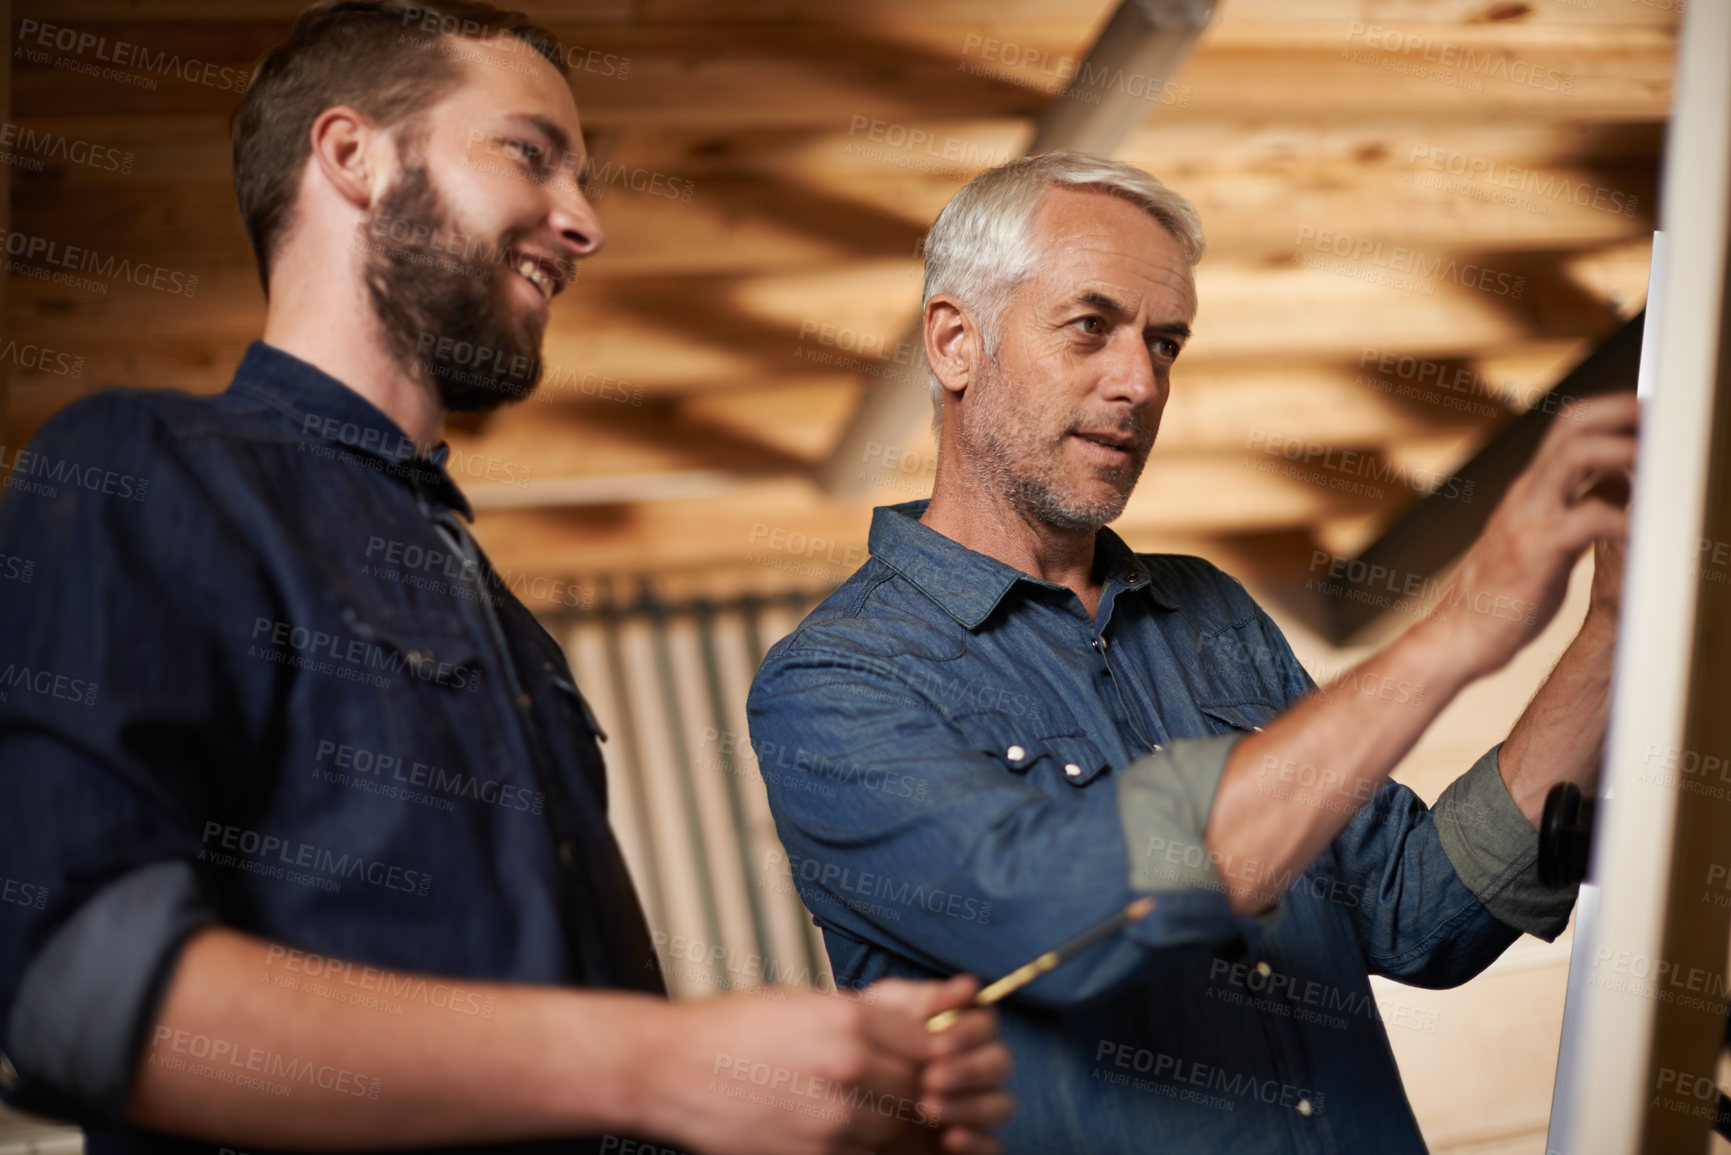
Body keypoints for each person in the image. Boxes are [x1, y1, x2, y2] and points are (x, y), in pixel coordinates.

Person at [0, 4, 1013, 1154]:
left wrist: (802, 1089)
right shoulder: (141, 465)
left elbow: (586, 1084)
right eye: (530, 154)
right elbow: (75, 990)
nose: (582, 222)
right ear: (353, 158)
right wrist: (663, 1066)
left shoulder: (506, 623)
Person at [746, 150, 1636, 1153]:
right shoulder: (834, 686)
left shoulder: (1209, 608)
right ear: (955, 343)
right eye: (1092, 327)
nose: (1139, 382)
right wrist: (1461, 629)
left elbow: (1414, 912)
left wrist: (1612, 629)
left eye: (1165, 343)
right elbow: (1069, 918)